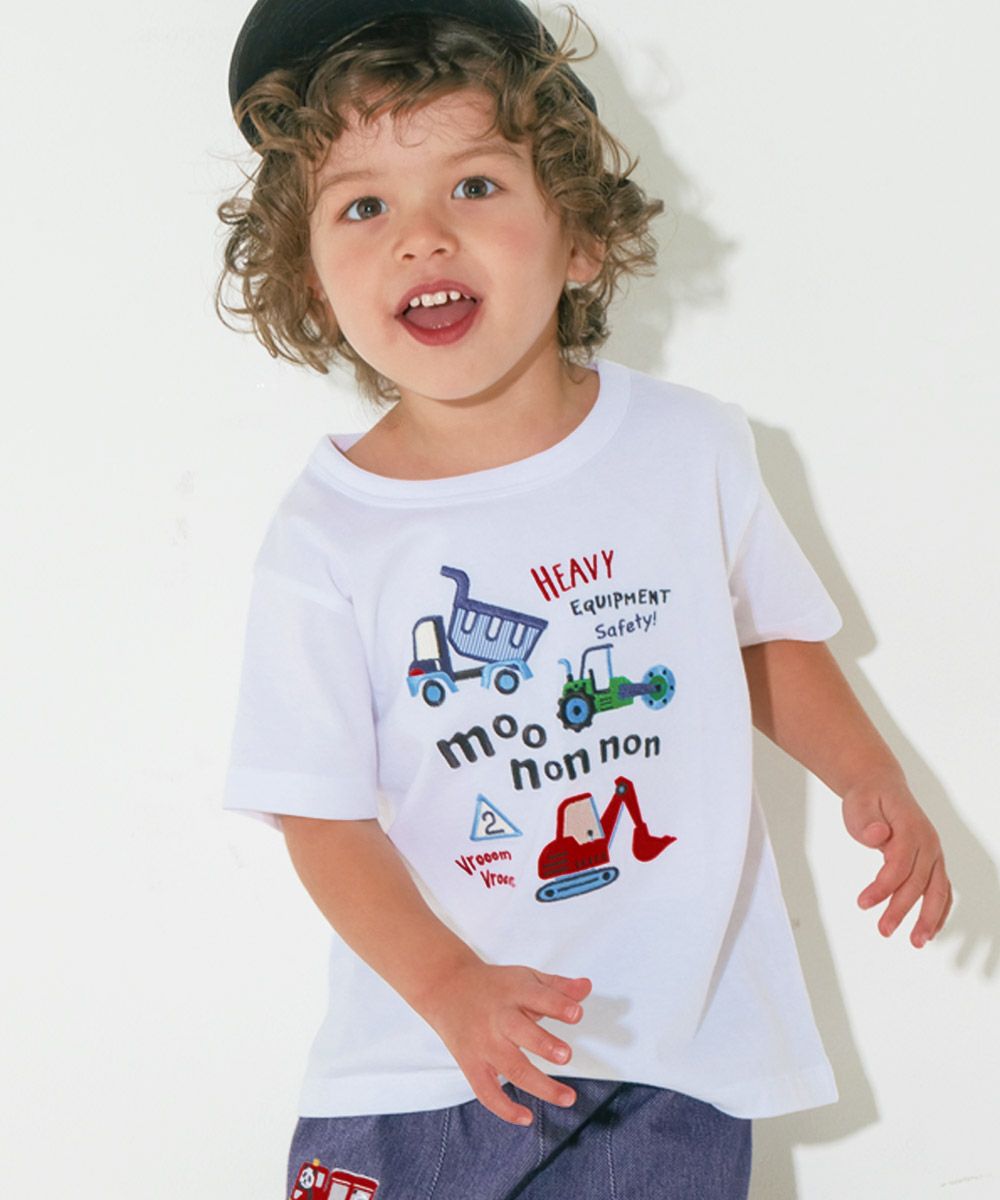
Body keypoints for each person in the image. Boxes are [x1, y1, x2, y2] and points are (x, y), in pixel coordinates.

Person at [216, 2, 953, 1197]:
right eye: (363, 207)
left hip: (671, 1057)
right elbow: (320, 818)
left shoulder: (689, 449)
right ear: (309, 280)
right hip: (422, 1065)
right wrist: (449, 986)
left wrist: (868, 773)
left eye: (474, 186)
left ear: (581, 234)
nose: (421, 237)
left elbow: (754, 639)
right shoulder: (329, 533)